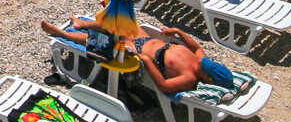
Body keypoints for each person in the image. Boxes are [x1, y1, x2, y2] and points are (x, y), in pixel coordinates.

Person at [39, 17, 248, 97]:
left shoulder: (189, 78)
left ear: (208, 78)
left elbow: (164, 86)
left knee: (105, 39)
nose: (203, 62)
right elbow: (196, 47)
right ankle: (82, 24)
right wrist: (178, 32)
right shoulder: (200, 60)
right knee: (122, 21)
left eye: (206, 67)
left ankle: (64, 34)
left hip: (140, 55)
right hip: (147, 39)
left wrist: (146, 61)